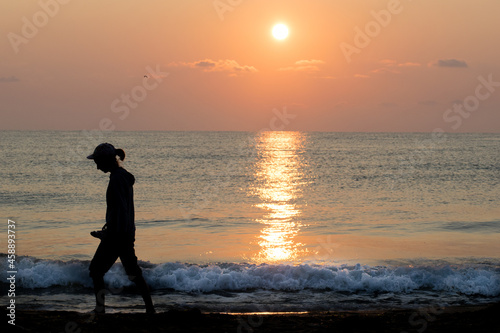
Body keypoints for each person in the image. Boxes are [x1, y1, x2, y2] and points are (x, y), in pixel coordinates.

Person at [87, 143, 155, 314]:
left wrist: (109, 234)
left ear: (105, 160)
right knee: (133, 273)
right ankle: (150, 309)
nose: (96, 167)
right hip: (124, 234)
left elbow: (121, 210)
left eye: (97, 162)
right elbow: (122, 211)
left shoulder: (117, 179)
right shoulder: (122, 176)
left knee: (95, 270)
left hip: (117, 236)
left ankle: (100, 309)